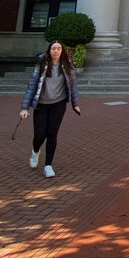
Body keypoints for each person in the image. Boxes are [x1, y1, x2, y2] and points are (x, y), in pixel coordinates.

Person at [20, 41, 81, 178]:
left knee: (52, 133)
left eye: (59, 48)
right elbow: (31, 87)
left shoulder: (67, 66)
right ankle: (35, 150)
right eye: (53, 48)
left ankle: (48, 165)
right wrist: (25, 108)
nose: (56, 51)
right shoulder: (41, 66)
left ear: (62, 51)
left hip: (58, 104)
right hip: (41, 105)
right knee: (39, 134)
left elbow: (73, 86)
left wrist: (75, 104)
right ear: (49, 51)